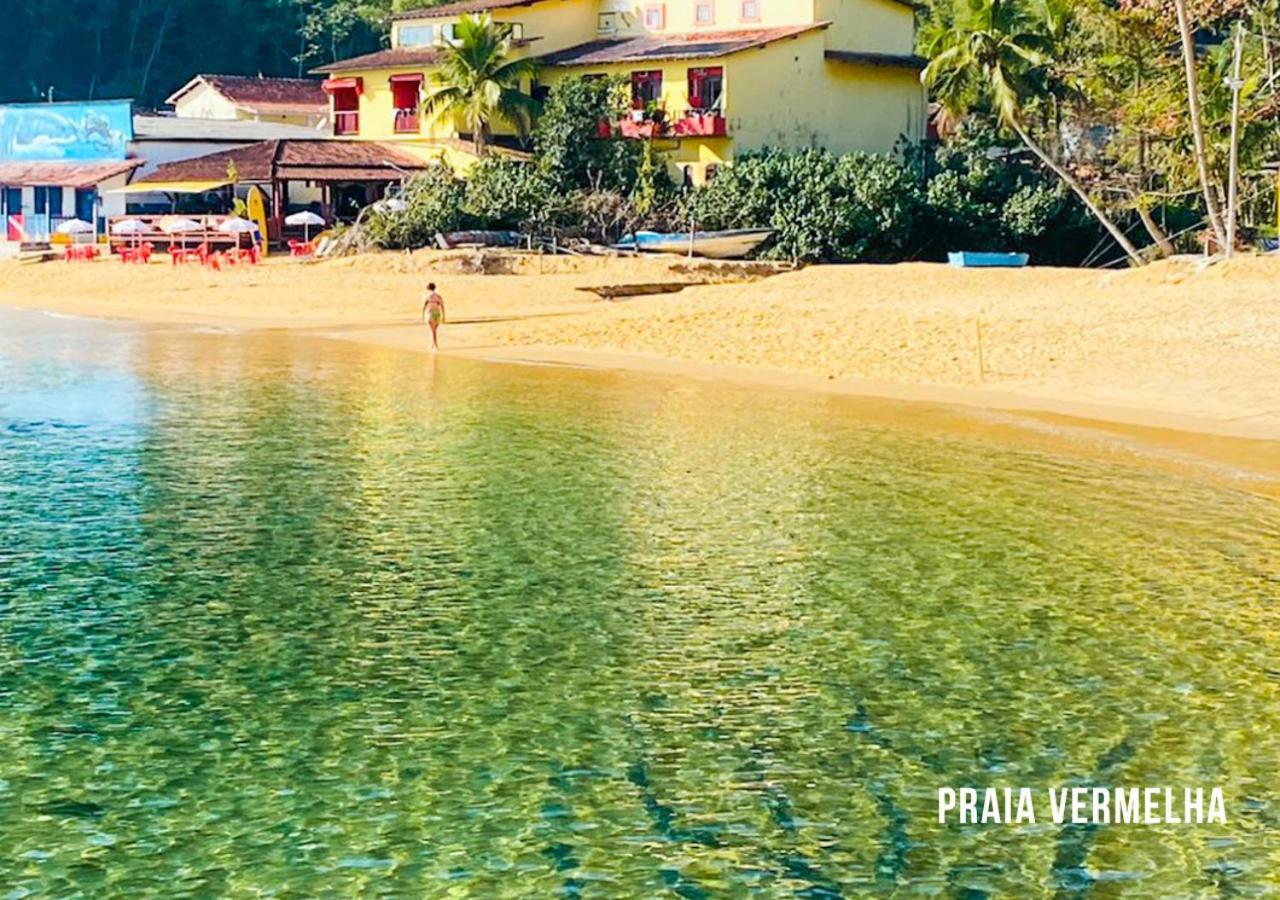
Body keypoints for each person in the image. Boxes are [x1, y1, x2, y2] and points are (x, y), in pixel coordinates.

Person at [421, 281, 446, 350]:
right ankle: (431, 345)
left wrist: (423, 315)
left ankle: (436, 346)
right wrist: (444, 316)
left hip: (430, 313)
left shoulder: (427, 296)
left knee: (432, 331)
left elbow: (424, 306)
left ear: (428, 288)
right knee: (434, 331)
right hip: (437, 314)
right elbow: (442, 306)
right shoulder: (438, 296)